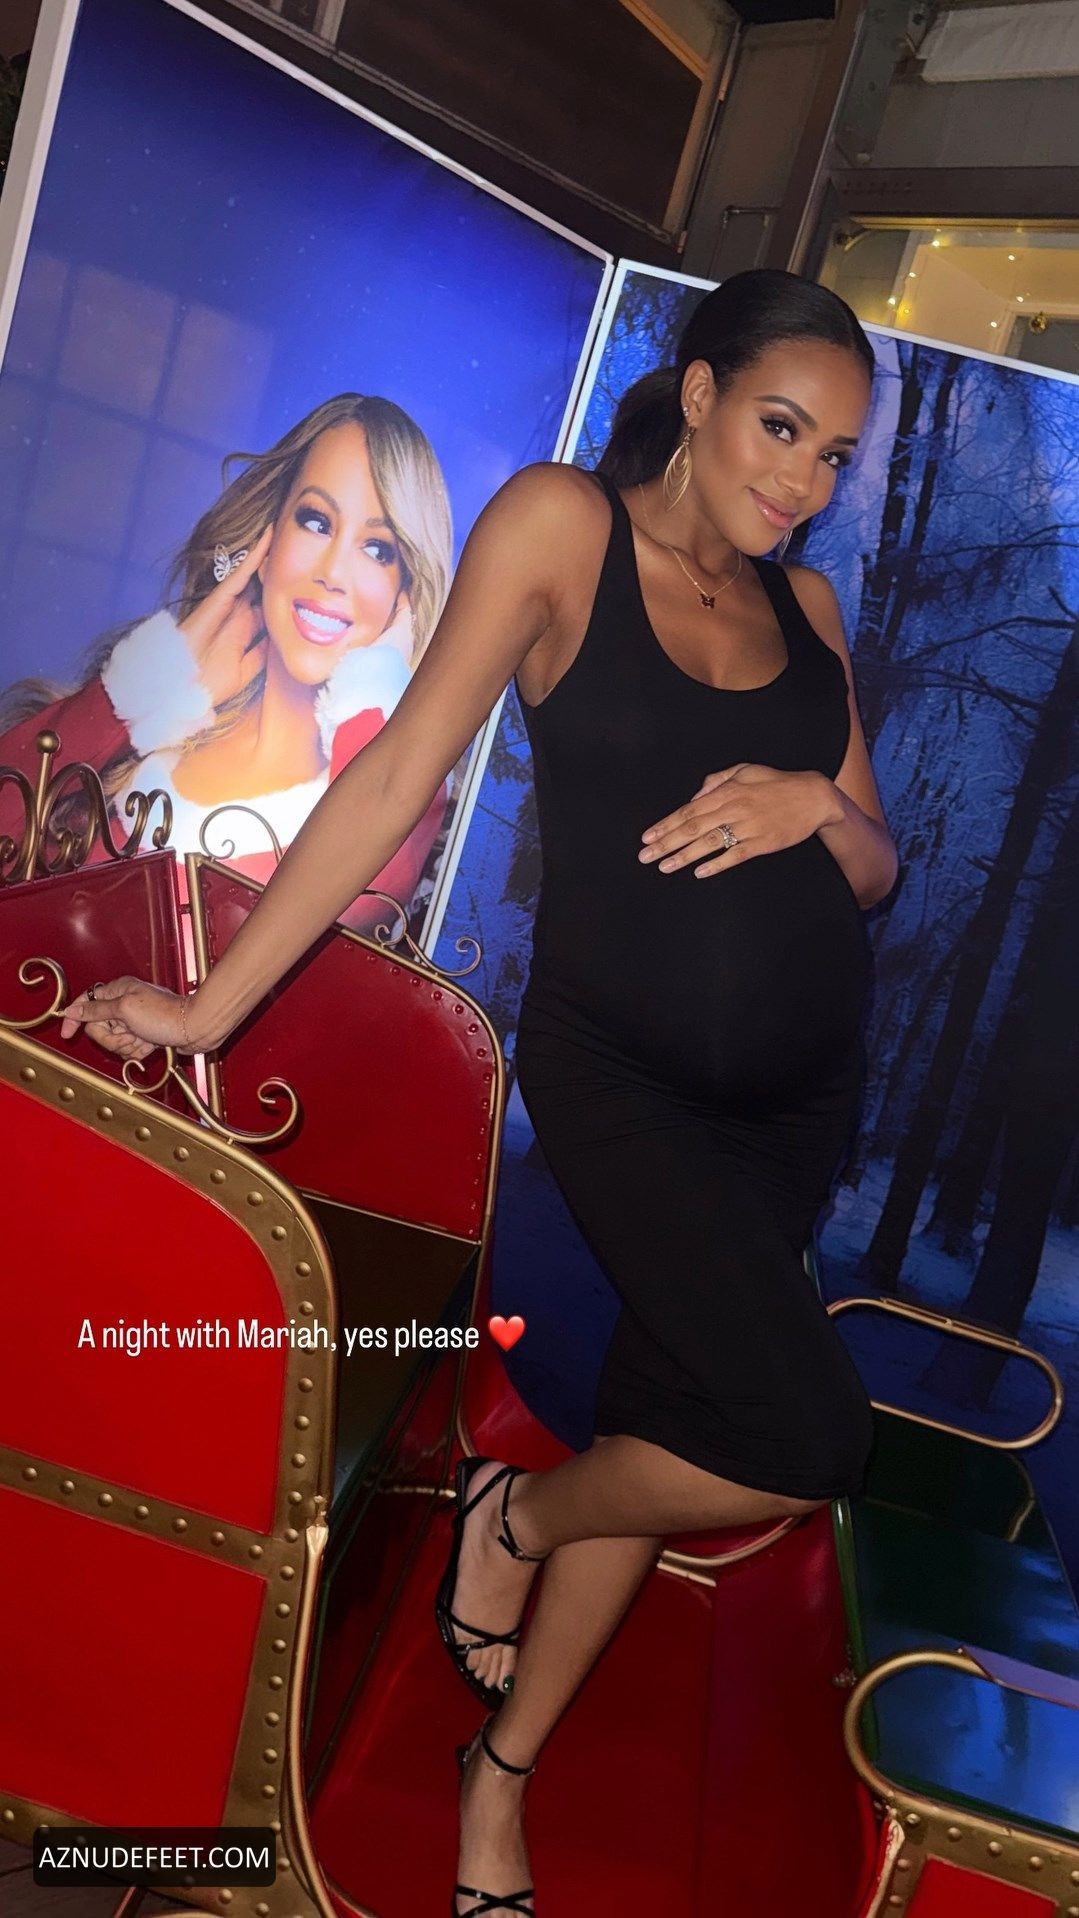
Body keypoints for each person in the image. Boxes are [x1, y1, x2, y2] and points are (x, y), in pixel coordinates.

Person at [60, 269, 898, 1917]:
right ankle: (515, 1512)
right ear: (700, 389)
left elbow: (873, 871)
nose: (800, 480)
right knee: (799, 1434)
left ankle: (493, 1779)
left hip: (792, 1105)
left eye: (831, 457)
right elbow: (395, 770)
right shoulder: (558, 527)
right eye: (778, 427)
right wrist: (211, 1007)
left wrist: (814, 805)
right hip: (623, 1078)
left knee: (678, 1419)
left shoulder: (808, 614)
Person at [0, 394, 453, 935]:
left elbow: (345, 913)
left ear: (406, 594)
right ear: (267, 544)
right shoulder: (147, 736)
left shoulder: (403, 791)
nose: (333, 573)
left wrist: (373, 705)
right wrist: (136, 696)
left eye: (378, 550)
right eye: (316, 522)